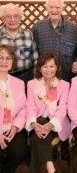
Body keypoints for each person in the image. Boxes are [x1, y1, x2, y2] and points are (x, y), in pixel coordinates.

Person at [26, 53, 71, 173]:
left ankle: (46, 164)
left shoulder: (65, 85)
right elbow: (30, 107)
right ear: (39, 68)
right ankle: (49, 164)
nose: (48, 70)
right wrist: (34, 124)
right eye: (45, 66)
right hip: (37, 123)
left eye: (52, 66)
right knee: (39, 122)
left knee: (37, 138)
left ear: (57, 67)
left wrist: (51, 125)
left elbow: (62, 109)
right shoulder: (32, 84)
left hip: (57, 125)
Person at [32, 0, 77, 82]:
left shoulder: (72, 28)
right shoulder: (37, 27)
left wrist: (76, 62)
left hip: (66, 77)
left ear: (62, 9)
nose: (54, 10)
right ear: (46, 8)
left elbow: (76, 51)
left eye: (57, 7)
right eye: (51, 7)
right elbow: (33, 52)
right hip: (44, 78)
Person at [0, 44, 28, 173]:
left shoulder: (19, 83)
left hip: (12, 128)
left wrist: (16, 126)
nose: (4, 61)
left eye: (8, 58)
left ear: (13, 61)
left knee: (19, 150)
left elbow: (23, 109)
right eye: (0, 58)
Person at [0, 3, 38, 83]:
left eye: (16, 16)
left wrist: (35, 79)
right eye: (8, 16)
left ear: (20, 18)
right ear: (2, 19)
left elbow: (35, 59)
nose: (12, 19)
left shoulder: (28, 34)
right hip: (2, 77)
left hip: (25, 77)